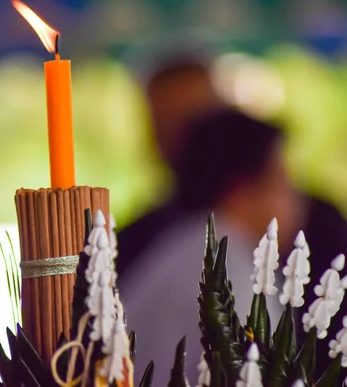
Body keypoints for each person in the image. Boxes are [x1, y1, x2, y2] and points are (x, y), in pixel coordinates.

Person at [120, 109, 300, 386]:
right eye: (283, 182)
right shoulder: (229, 266)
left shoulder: (187, 246)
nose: (296, 201)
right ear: (242, 191)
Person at [116, 51, 224, 278]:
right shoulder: (135, 244)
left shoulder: (298, 225)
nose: (183, 140)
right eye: (166, 123)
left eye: (195, 123)